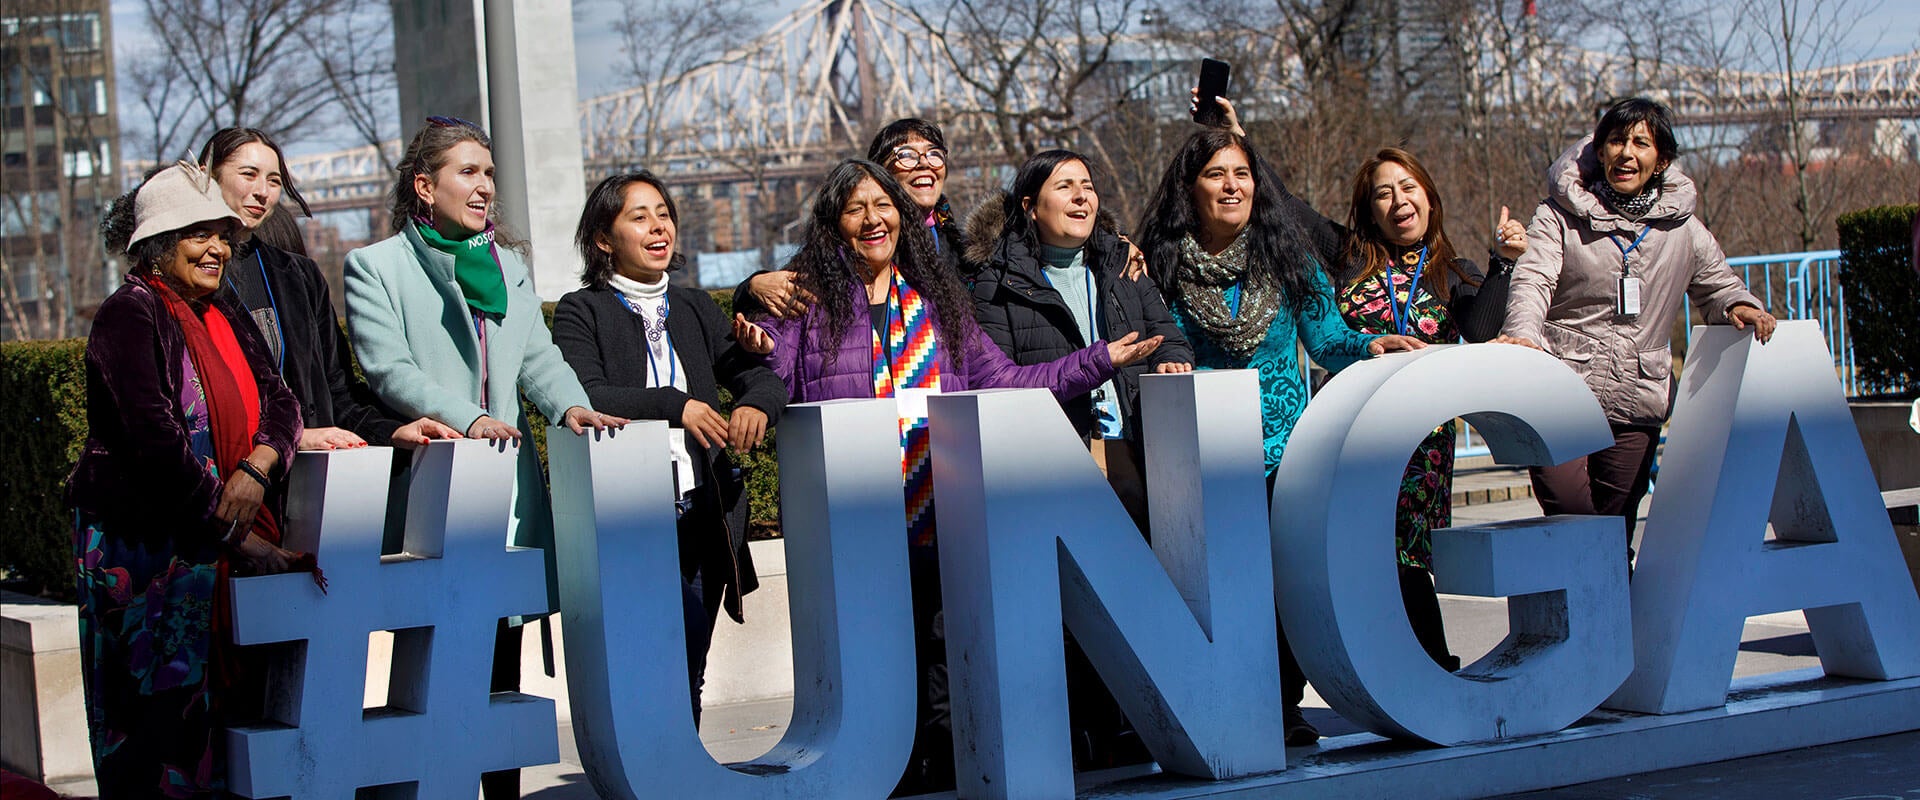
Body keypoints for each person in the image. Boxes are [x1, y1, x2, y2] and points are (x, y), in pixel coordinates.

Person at [734, 159, 1162, 793]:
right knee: (873, 670)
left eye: (883, 206)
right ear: (833, 225)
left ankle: (943, 778)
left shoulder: (939, 306)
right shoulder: (807, 304)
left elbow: (1013, 382)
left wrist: (1099, 360)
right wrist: (756, 352)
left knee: (942, 665)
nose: (872, 220)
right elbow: (773, 373)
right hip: (857, 521)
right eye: (855, 209)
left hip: (941, 515)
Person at [343, 117, 627, 800]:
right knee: (429, 660)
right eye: (467, 172)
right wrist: (467, 419)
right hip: (433, 491)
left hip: (509, 495)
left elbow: (537, 359)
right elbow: (389, 370)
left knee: (504, 668)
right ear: (424, 185)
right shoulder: (373, 267)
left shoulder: (510, 267)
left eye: (489, 173)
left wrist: (570, 407)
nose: (484, 186)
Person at [1134, 128, 1425, 747]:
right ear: (1190, 187)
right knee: (1218, 588)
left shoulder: (1289, 255)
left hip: (1283, 453)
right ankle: (1221, 700)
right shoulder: (1155, 264)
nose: (1232, 185)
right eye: (1216, 174)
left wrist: (1370, 344)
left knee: (1280, 584)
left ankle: (1284, 702)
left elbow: (1327, 340)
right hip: (1201, 452)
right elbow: (1147, 349)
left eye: (1242, 173)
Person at [69, 162, 310, 798]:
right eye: (197, 234)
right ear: (157, 243)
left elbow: (283, 403)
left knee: (224, 728)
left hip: (212, 540)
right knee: (154, 730)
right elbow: (155, 441)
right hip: (146, 549)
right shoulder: (131, 313)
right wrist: (235, 532)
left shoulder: (222, 307)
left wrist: (259, 467)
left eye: (223, 236)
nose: (217, 249)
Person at [552, 171, 787, 725]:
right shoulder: (579, 310)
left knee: (690, 664)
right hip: (632, 518)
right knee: (658, 654)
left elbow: (761, 378)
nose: (659, 227)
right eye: (639, 217)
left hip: (702, 515)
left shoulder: (695, 307)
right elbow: (586, 393)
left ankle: (678, 772)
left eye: (664, 213)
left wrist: (756, 404)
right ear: (603, 239)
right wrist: (673, 405)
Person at [1496, 97, 1775, 560]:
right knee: (1568, 515)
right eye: (1616, 141)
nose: (1627, 153)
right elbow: (1533, 278)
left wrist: (1740, 305)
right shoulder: (1558, 215)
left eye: (1641, 143)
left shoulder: (1683, 228)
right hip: (1558, 390)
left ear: (1661, 159)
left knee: (1616, 526)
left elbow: (1718, 284)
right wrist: (1523, 333)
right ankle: (1585, 610)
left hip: (1637, 397)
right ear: (1599, 151)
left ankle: (1613, 623)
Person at [1331, 146, 1525, 673]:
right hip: (1353, 433)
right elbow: (1283, 204)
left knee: (1407, 552)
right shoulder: (1345, 255)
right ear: (1368, 209)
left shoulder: (1450, 271)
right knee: (1363, 552)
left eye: (1408, 187)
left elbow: (1482, 331)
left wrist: (1502, 264)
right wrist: (1235, 133)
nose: (1398, 200)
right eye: (1383, 192)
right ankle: (1413, 666)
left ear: (1429, 199)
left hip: (1422, 442)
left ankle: (1430, 666)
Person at [199, 126, 460, 453]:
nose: (262, 191)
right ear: (209, 175)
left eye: (274, 181)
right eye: (248, 174)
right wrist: (292, 437)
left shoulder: (299, 276)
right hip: (224, 478)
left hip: (309, 484)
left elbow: (338, 394)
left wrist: (394, 431)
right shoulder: (186, 278)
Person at [968, 149, 1193, 528]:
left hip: (1134, 449)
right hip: (1055, 461)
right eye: (1065, 186)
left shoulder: (1122, 264)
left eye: (1087, 186)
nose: (1081, 196)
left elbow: (1168, 335)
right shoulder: (997, 281)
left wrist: (1168, 358)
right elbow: (998, 387)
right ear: (1031, 207)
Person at [734, 118, 972, 319]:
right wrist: (752, 288)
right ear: (880, 174)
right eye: (907, 155)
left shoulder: (960, 245)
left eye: (934, 154)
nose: (924, 164)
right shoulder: (862, 240)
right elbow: (793, 288)